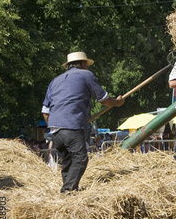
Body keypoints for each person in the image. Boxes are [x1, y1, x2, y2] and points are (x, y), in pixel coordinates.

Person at [41, 51, 125, 193]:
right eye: (87, 63)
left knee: (67, 160)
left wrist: (55, 124)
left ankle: (70, 191)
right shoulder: (86, 75)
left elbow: (45, 111)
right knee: (80, 158)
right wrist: (117, 102)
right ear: (83, 64)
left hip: (54, 127)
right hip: (71, 125)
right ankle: (68, 190)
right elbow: (104, 100)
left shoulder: (55, 81)